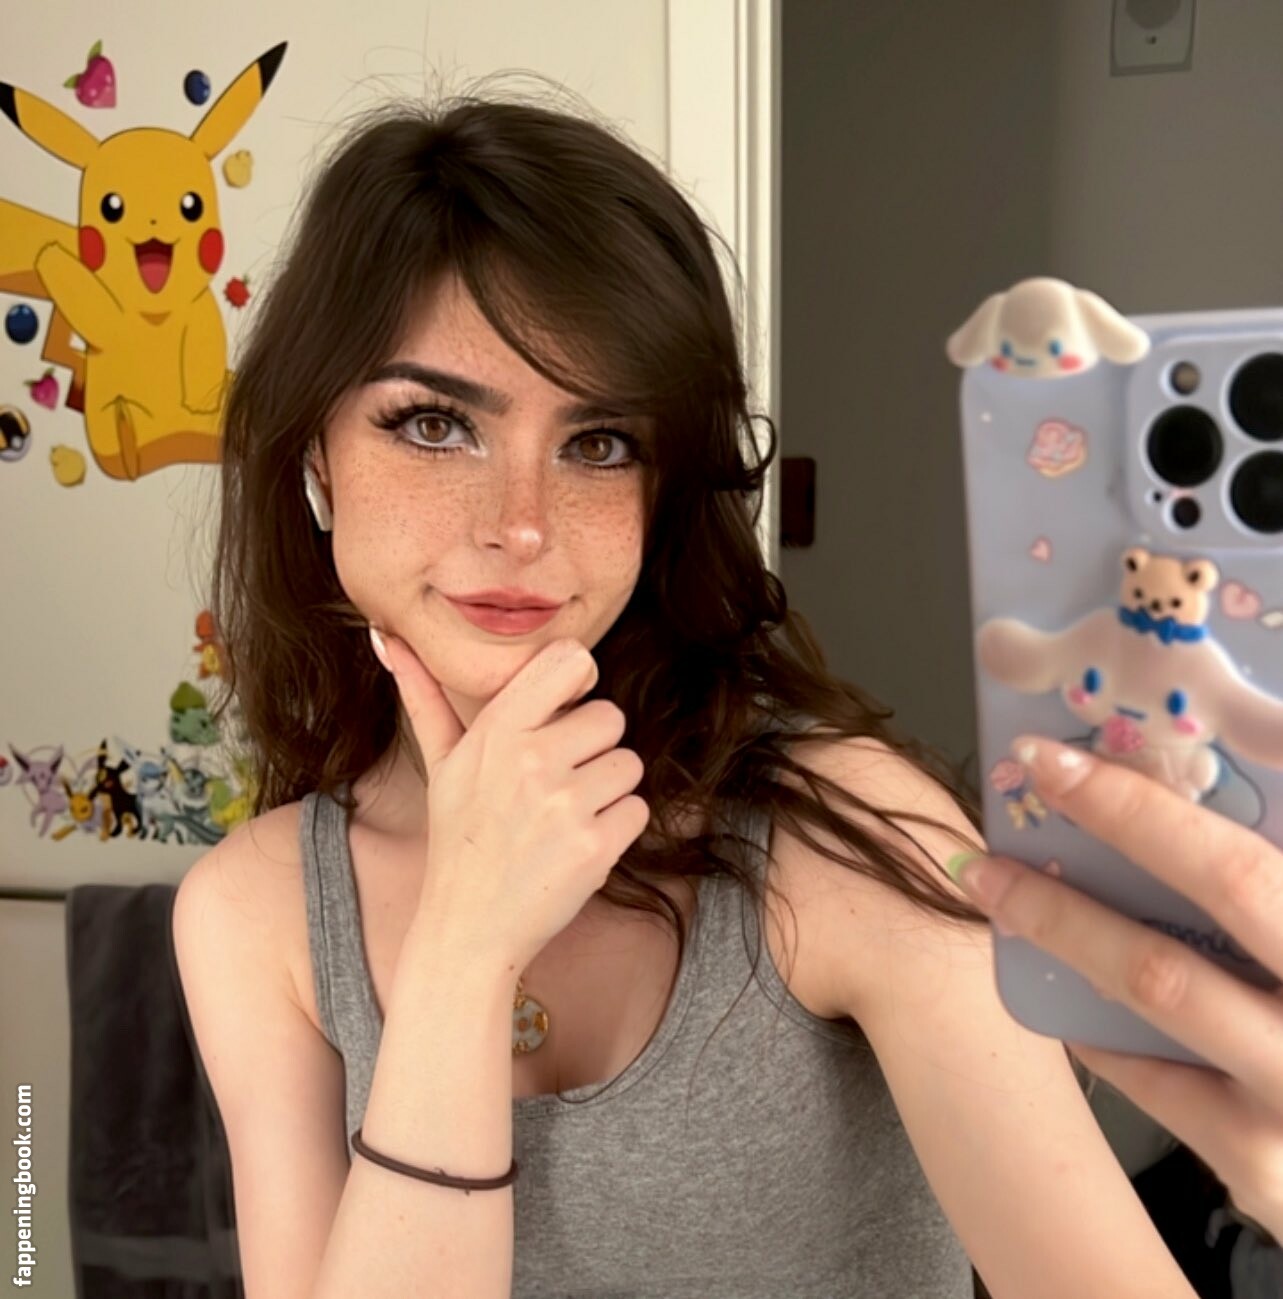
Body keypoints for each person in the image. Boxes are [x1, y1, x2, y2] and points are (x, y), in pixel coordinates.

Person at [169, 82, 1264, 1299]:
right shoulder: (257, 914)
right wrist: (463, 951)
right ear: (313, 456)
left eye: (598, 443)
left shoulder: (839, 839)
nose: (521, 525)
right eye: (433, 424)